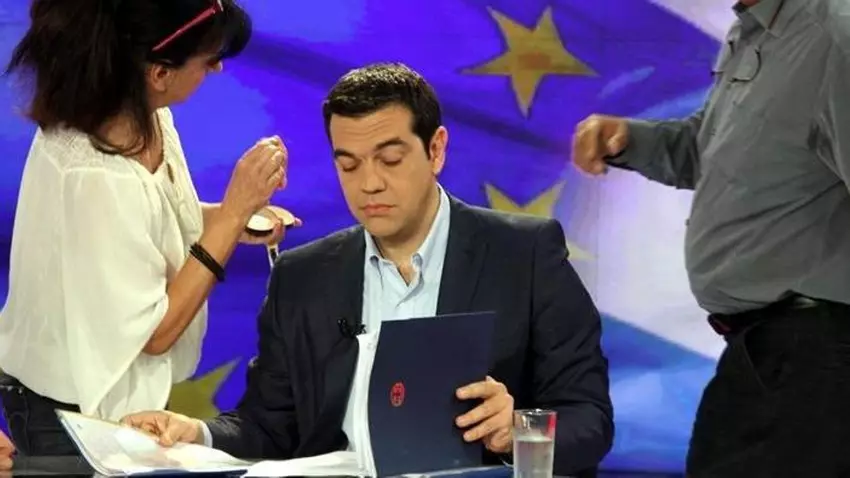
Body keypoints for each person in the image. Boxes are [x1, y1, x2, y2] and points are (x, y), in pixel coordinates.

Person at [122, 62, 613, 476]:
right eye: (349, 165)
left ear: (436, 150)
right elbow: (269, 427)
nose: (369, 184)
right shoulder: (302, 276)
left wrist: (517, 430)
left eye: (390, 159)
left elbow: (589, 418)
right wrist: (197, 433)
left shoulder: (524, 255)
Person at [0, 0, 295, 457]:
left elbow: (153, 218)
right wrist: (233, 214)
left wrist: (232, 219)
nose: (217, 68)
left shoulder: (149, 116)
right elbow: (154, 334)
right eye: (208, 59)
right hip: (67, 418)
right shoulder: (97, 177)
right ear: (159, 72)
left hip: (116, 404)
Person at [572, 0, 850, 476]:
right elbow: (711, 153)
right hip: (764, 351)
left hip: (817, 354)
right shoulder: (753, 28)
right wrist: (630, 139)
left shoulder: (835, 36)